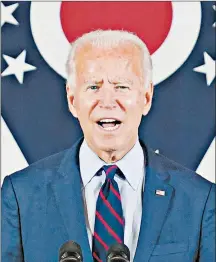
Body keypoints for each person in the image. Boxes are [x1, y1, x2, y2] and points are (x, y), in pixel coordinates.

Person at [1, 30, 215, 262]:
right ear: (72, 100)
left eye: (121, 87)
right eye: (93, 87)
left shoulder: (199, 200)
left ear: (146, 97)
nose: (107, 101)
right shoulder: (21, 195)